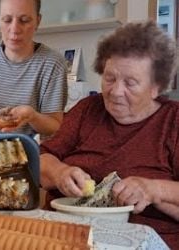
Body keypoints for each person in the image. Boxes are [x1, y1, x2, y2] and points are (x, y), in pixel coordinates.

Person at [40, 21, 179, 248]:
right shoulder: (87, 109)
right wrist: (59, 173)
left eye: (130, 83)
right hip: (63, 236)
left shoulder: (173, 121)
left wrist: (154, 190)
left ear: (157, 87)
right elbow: (39, 160)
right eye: (109, 78)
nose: (115, 92)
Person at [0, 0, 67, 136]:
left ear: (38, 21)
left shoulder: (52, 63)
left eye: (24, 20)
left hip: (24, 151)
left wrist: (32, 116)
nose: (15, 29)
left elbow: (55, 126)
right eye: (7, 20)